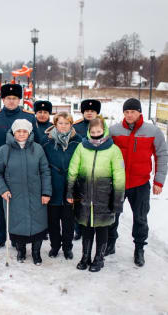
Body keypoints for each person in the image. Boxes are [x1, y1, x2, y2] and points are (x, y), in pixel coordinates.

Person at [107, 98, 167, 266]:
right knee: (112, 215)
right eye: (126, 112)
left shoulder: (152, 131)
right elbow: (104, 154)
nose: (129, 115)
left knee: (140, 218)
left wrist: (159, 181)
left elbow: (162, 155)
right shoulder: (114, 130)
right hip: (118, 183)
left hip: (140, 183)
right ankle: (110, 243)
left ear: (140, 112)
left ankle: (139, 248)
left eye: (132, 111)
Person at [0, 83, 35, 251]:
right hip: (1, 173)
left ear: (20, 99)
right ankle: (0, 238)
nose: (11, 101)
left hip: (23, 172)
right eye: (8, 98)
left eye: (15, 98)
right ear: (2, 99)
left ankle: (17, 238)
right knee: (0, 208)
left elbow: (35, 144)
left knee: (19, 207)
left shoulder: (29, 117)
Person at [67, 117, 125, 272]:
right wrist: (70, 190)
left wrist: (118, 200)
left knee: (102, 228)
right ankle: (85, 256)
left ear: (104, 130)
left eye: (99, 131)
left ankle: (99, 258)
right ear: (88, 132)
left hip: (104, 197)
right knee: (86, 227)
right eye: (93, 132)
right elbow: (73, 170)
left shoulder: (114, 150)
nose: (96, 134)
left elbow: (119, 176)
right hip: (85, 195)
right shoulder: (82, 147)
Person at [0, 119, 51, 265]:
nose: (22, 134)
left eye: (25, 131)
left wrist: (46, 192)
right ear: (13, 132)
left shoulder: (37, 149)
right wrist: (3, 189)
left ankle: (36, 253)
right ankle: (21, 251)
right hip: (14, 195)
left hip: (36, 195)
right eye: (19, 131)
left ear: (29, 132)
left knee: (38, 223)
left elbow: (45, 171)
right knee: (17, 224)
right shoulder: (4, 150)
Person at [41, 112, 82, 259]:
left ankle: (67, 247)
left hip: (70, 187)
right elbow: (42, 165)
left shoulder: (79, 142)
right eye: (60, 123)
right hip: (52, 187)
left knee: (68, 221)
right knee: (53, 221)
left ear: (71, 124)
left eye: (66, 123)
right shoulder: (46, 142)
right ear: (55, 124)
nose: (63, 126)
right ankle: (55, 246)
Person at [72, 99, 101, 240]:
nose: (89, 113)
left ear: (97, 113)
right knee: (79, 200)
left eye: (92, 111)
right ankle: (79, 229)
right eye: (87, 111)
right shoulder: (76, 126)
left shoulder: (103, 126)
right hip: (80, 169)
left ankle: (94, 227)